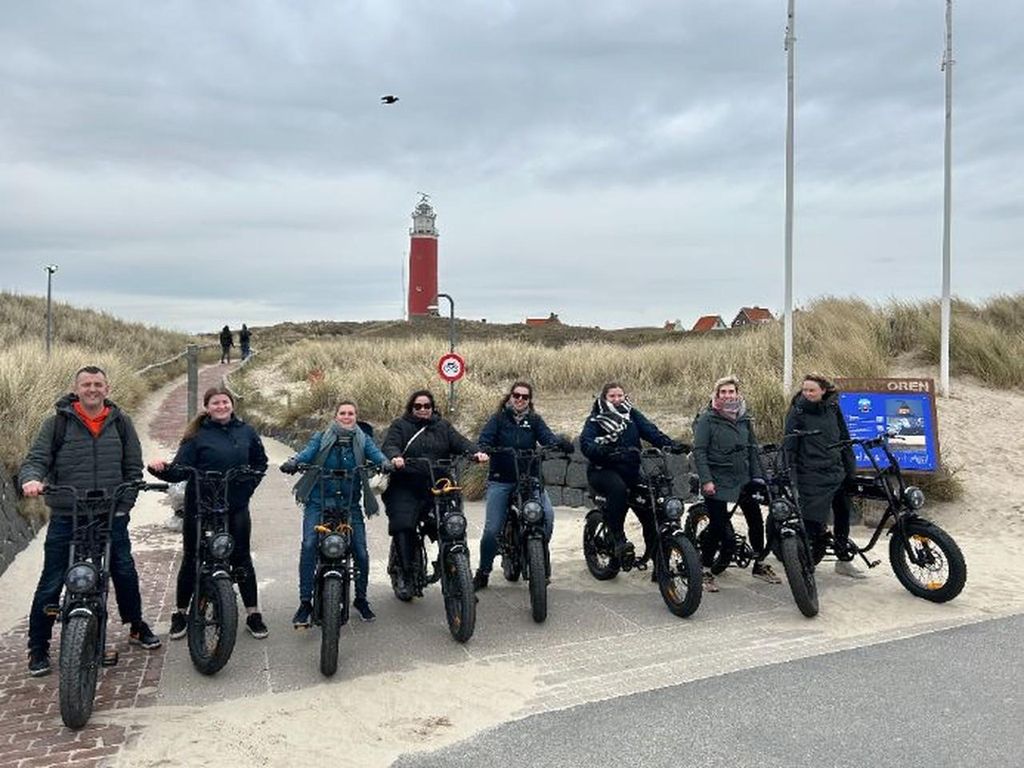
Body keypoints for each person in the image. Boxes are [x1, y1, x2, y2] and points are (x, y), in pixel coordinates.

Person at [19, 365, 161, 677]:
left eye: (98, 384)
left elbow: (132, 467)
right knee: (53, 580)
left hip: (110, 514)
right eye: (87, 384)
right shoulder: (57, 423)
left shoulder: (121, 422)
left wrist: (125, 506)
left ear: (107, 389)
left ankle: (136, 626)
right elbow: (37, 460)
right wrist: (31, 479)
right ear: (77, 388)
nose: (93, 389)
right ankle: (38, 645)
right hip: (68, 514)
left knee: (123, 570)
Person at [148, 386, 272, 639]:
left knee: (241, 557)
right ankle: (181, 613)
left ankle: (253, 613)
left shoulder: (246, 432)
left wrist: (247, 487)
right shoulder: (196, 436)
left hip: (235, 505)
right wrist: (159, 469)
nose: (221, 406)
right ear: (207, 407)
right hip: (200, 507)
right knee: (192, 557)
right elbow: (180, 470)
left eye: (225, 402)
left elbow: (260, 463)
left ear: (232, 404)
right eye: (215, 403)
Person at [280, 400, 390, 625]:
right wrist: (293, 462)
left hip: (349, 503)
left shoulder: (362, 439)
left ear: (356, 417)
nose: (347, 416)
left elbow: (376, 455)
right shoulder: (321, 437)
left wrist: (385, 463)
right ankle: (305, 602)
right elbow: (307, 454)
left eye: (351, 413)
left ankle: (361, 599)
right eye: (343, 413)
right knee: (310, 545)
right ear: (336, 416)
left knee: (360, 550)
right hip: (318, 501)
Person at [381, 390, 488, 599]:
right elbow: (390, 445)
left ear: (433, 407)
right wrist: (395, 457)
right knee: (404, 525)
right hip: (406, 484)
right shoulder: (400, 426)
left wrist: (475, 453)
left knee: (453, 526)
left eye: (427, 406)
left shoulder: (443, 426)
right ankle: (405, 573)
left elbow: (461, 443)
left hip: (439, 485)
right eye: (418, 406)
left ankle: (460, 577)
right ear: (411, 408)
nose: (423, 410)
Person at [473, 381, 573, 591]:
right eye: (516, 395)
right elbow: (485, 439)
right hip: (502, 479)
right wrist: (483, 450)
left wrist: (559, 443)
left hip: (530, 478)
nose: (520, 399)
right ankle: (484, 571)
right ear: (510, 397)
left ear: (529, 400)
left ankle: (538, 559)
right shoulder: (498, 419)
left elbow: (547, 438)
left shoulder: (534, 420)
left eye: (524, 397)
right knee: (492, 530)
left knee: (547, 516)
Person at [692, 375, 781, 592]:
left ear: (737, 394)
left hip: (743, 478)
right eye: (723, 392)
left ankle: (759, 563)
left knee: (756, 521)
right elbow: (699, 452)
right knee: (717, 526)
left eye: (731, 392)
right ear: (716, 394)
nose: (727, 395)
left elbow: (752, 448)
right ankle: (704, 569)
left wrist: (758, 477)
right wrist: (707, 480)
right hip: (718, 479)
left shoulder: (744, 418)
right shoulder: (707, 419)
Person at [579, 382, 679, 563]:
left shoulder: (632, 414)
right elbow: (586, 443)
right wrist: (604, 451)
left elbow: (650, 431)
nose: (617, 400)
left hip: (630, 470)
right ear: (604, 398)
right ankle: (618, 538)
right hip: (603, 470)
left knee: (651, 505)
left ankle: (658, 561)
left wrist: (671, 444)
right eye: (612, 396)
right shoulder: (595, 419)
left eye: (620, 396)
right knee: (618, 489)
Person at [784, 373, 866, 578]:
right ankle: (803, 567)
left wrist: (850, 470)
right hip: (810, 474)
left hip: (836, 472)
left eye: (812, 390)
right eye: (804, 390)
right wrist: (790, 476)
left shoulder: (833, 408)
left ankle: (843, 560)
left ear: (823, 390)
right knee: (812, 522)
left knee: (843, 515)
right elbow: (789, 446)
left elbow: (844, 439)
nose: (807, 394)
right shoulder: (798, 411)